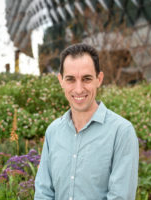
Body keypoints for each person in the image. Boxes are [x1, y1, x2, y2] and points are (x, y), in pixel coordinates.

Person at [34, 43, 139, 200]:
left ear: (99, 79)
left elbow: (120, 197)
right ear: (60, 81)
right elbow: (43, 193)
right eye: (70, 79)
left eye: (86, 79)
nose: (78, 89)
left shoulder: (121, 132)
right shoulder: (53, 131)